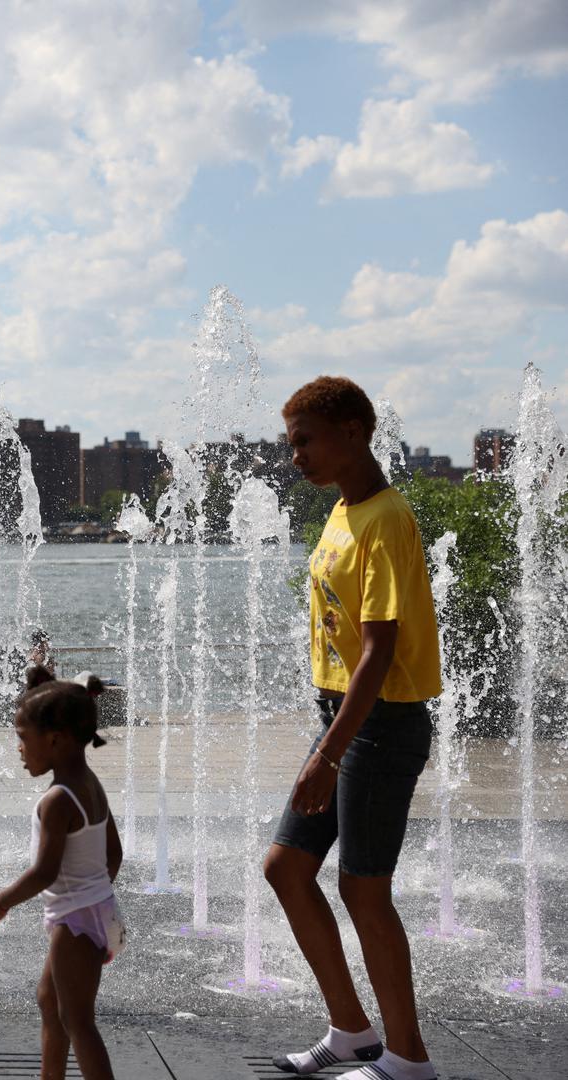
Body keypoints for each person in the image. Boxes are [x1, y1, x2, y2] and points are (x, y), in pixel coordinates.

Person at [264, 376, 442, 1080]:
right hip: (339, 715)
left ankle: (408, 1059)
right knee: (285, 868)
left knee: (363, 888)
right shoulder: (342, 511)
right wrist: (328, 739)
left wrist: (327, 755)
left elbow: (380, 649)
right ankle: (351, 1032)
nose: (295, 456)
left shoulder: (385, 515)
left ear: (353, 432)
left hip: (379, 722)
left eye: (304, 441)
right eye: (291, 444)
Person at [0, 668, 123, 1080]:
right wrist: (95, 895)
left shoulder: (58, 799)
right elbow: (115, 853)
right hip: (91, 913)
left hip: (76, 921)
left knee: (79, 1022)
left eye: (23, 739)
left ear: (54, 739)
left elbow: (44, 872)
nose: (19, 750)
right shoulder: (90, 783)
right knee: (49, 1001)